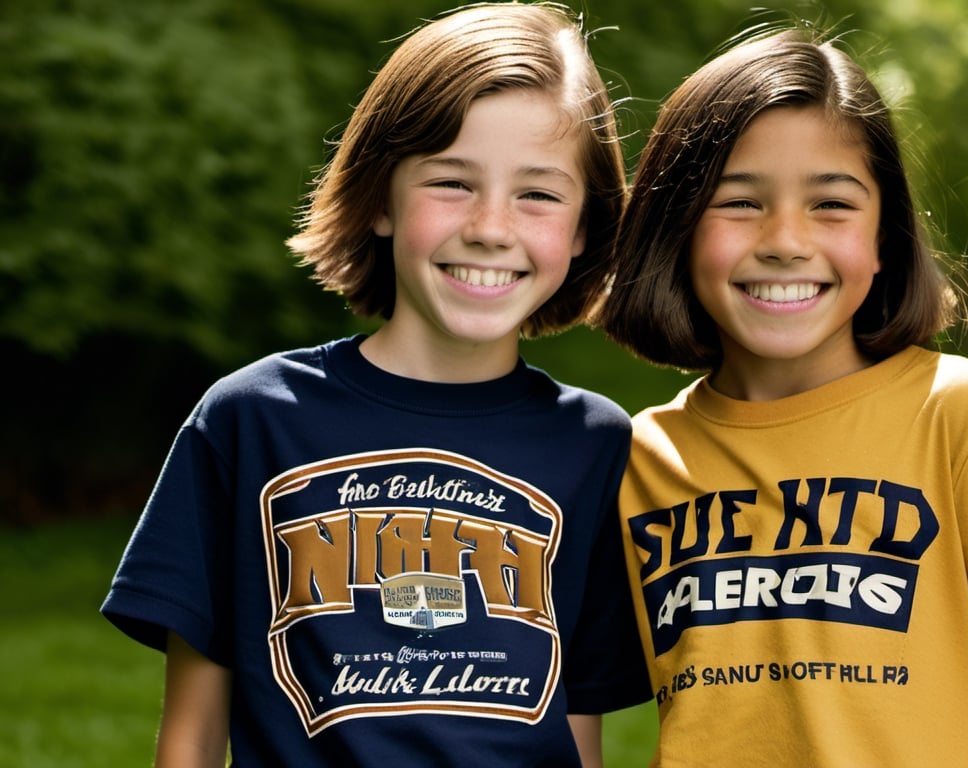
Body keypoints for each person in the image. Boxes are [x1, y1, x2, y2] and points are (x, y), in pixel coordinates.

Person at [101, 3, 651, 765]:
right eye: (452, 182)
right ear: (379, 200)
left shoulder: (600, 446)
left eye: (539, 194)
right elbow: (191, 737)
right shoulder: (252, 419)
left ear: (587, 225)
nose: (492, 226)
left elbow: (577, 732)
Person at [597, 25, 968, 768]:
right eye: (741, 202)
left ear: (886, 236)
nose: (786, 239)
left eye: (832, 204)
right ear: (675, 230)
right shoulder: (634, 461)